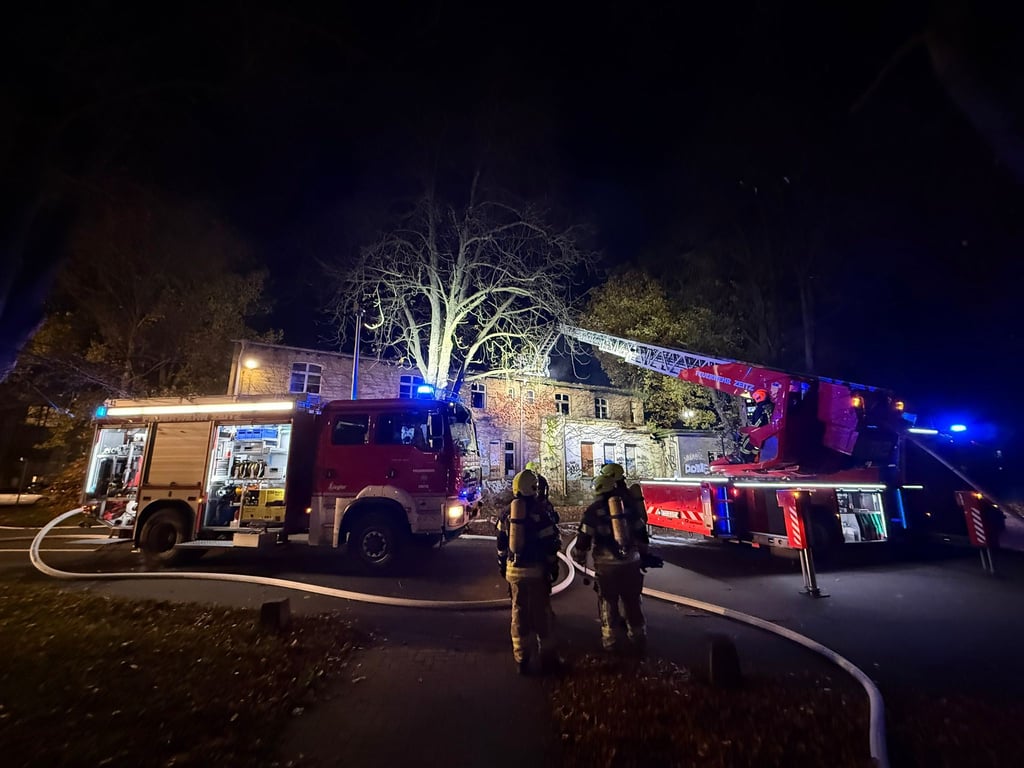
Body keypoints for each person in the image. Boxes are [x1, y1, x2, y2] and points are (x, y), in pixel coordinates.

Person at [571, 466, 658, 656]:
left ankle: (610, 642)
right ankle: (638, 637)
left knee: (607, 601)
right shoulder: (628, 506)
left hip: (606, 567)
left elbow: (584, 538)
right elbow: (641, 532)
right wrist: (643, 555)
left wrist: (579, 554)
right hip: (631, 562)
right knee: (632, 601)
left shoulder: (593, 511)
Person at [496, 469, 562, 675]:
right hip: (536, 571)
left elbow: (500, 545)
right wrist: (553, 567)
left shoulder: (506, 514)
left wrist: (503, 566)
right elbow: (551, 543)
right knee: (542, 613)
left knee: (519, 613)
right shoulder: (541, 513)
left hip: (514, 571)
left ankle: (521, 658)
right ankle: (549, 659)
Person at [737, 388, 774, 463]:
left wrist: (744, 430)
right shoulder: (772, 406)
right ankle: (753, 458)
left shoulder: (760, 409)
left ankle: (744, 460)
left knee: (747, 444)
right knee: (755, 447)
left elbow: (757, 424)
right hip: (770, 434)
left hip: (762, 433)